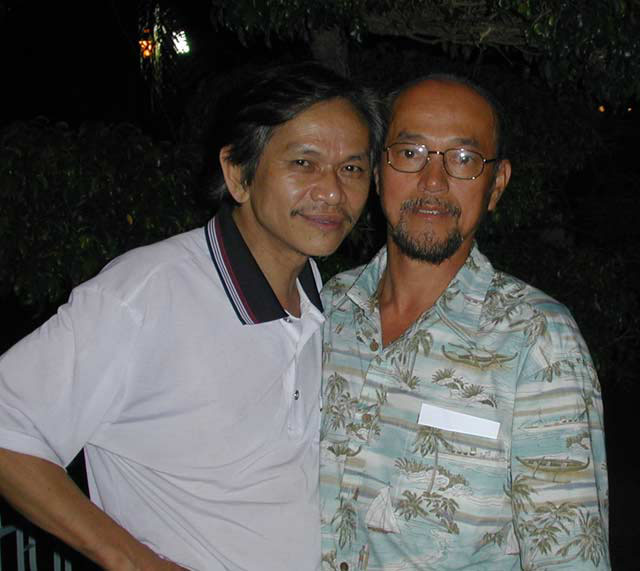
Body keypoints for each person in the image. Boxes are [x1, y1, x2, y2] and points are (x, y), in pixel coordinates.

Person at [0, 62, 384, 571]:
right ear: (238, 174)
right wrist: (133, 561)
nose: (332, 192)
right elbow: (9, 428)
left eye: (352, 169)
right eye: (303, 163)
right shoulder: (147, 293)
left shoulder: (321, 294)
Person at [319, 75, 610, 570]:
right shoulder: (326, 309)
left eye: (463, 158)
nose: (433, 181)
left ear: (497, 184)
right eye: (410, 153)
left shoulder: (539, 341)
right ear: (377, 170)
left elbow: (570, 558)